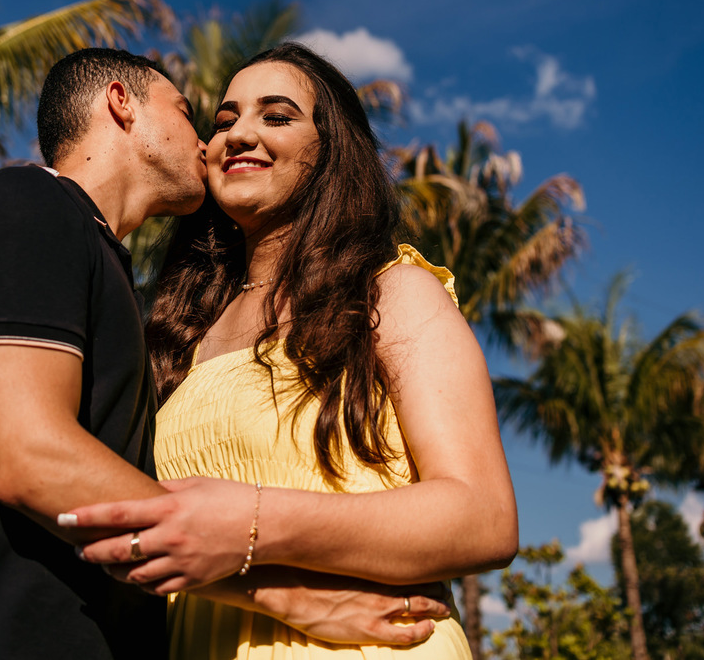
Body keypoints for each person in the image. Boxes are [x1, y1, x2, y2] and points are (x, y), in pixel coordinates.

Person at [0, 48, 454, 659]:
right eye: (196, 115)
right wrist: (284, 593)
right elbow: (32, 456)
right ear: (121, 104)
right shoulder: (31, 202)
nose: (211, 142)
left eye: (273, 117)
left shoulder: (120, 288)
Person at [63, 43, 519, 658]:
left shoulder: (389, 292)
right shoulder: (175, 336)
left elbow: (484, 516)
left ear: (330, 153)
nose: (238, 135)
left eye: (276, 116)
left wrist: (251, 522)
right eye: (224, 121)